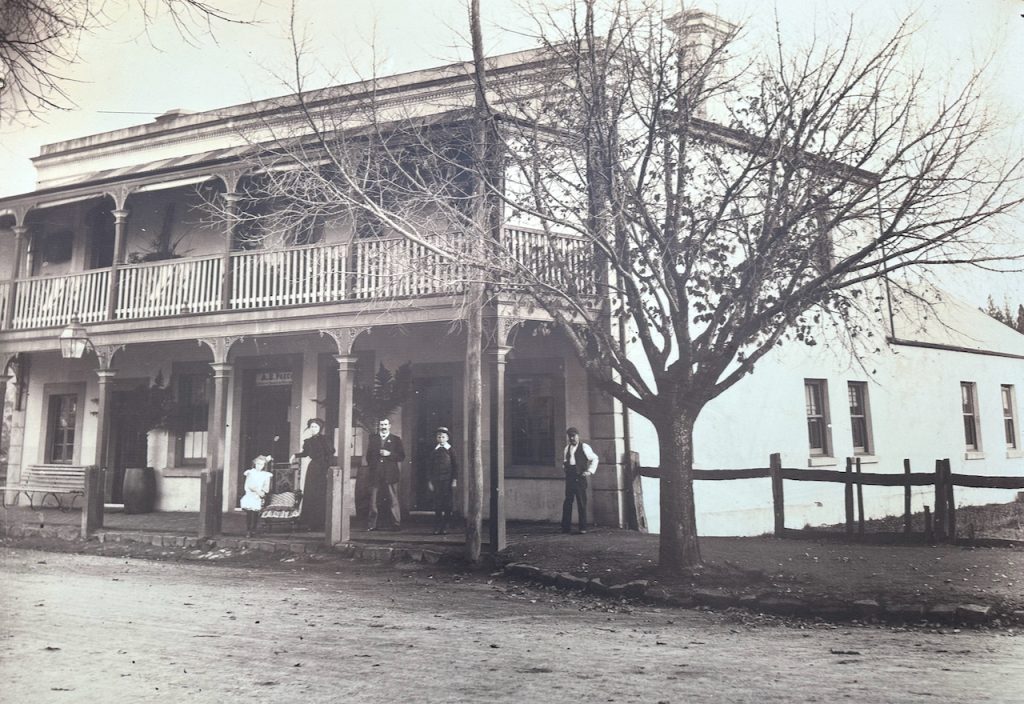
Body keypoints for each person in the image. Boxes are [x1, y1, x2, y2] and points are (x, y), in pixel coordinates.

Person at [290, 418, 334, 532]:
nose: (314, 429)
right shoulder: (308, 441)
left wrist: (327, 469)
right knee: (311, 494)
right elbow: (305, 454)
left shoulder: (325, 439)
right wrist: (295, 455)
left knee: (321, 494)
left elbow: (330, 453)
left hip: (323, 467)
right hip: (313, 468)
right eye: (312, 427)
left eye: (316, 427)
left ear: (320, 428)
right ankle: (311, 523)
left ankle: (322, 522)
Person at [363, 418, 405, 531]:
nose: (384, 426)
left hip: (390, 474)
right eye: (382, 424)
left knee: (393, 499)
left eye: (386, 424)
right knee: (373, 500)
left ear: (389, 426)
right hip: (376, 473)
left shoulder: (396, 439)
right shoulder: (373, 439)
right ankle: (372, 525)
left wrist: (389, 454)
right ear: (379, 426)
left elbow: (401, 456)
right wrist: (374, 466)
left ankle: (396, 523)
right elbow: (368, 456)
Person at [561, 427, 599, 534]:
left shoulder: (585, 447)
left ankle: (582, 528)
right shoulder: (567, 448)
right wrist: (565, 467)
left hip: (580, 477)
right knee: (568, 501)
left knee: (581, 502)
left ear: (578, 436)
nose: (572, 438)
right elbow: (565, 461)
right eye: (570, 436)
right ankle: (565, 527)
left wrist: (590, 471)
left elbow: (595, 458)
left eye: (573, 436)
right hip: (570, 477)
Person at [427, 426, 459, 535]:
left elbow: (455, 466)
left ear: (447, 438)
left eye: (443, 437)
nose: (440, 438)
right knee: (437, 504)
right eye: (439, 436)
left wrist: (454, 480)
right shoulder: (434, 451)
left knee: (447, 504)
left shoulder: (450, 450)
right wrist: (430, 481)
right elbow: (430, 467)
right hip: (436, 481)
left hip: (447, 481)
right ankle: (437, 527)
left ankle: (445, 526)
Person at [239, 455, 273, 538]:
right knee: (249, 513)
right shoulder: (251, 472)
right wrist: (257, 490)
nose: (259, 466)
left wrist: (262, 492)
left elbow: (266, 487)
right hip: (251, 494)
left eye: (261, 464)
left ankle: (253, 529)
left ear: (264, 465)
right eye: (258, 464)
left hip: (259, 495)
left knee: (255, 513)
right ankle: (248, 530)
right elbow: (249, 485)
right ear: (254, 464)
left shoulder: (266, 475)